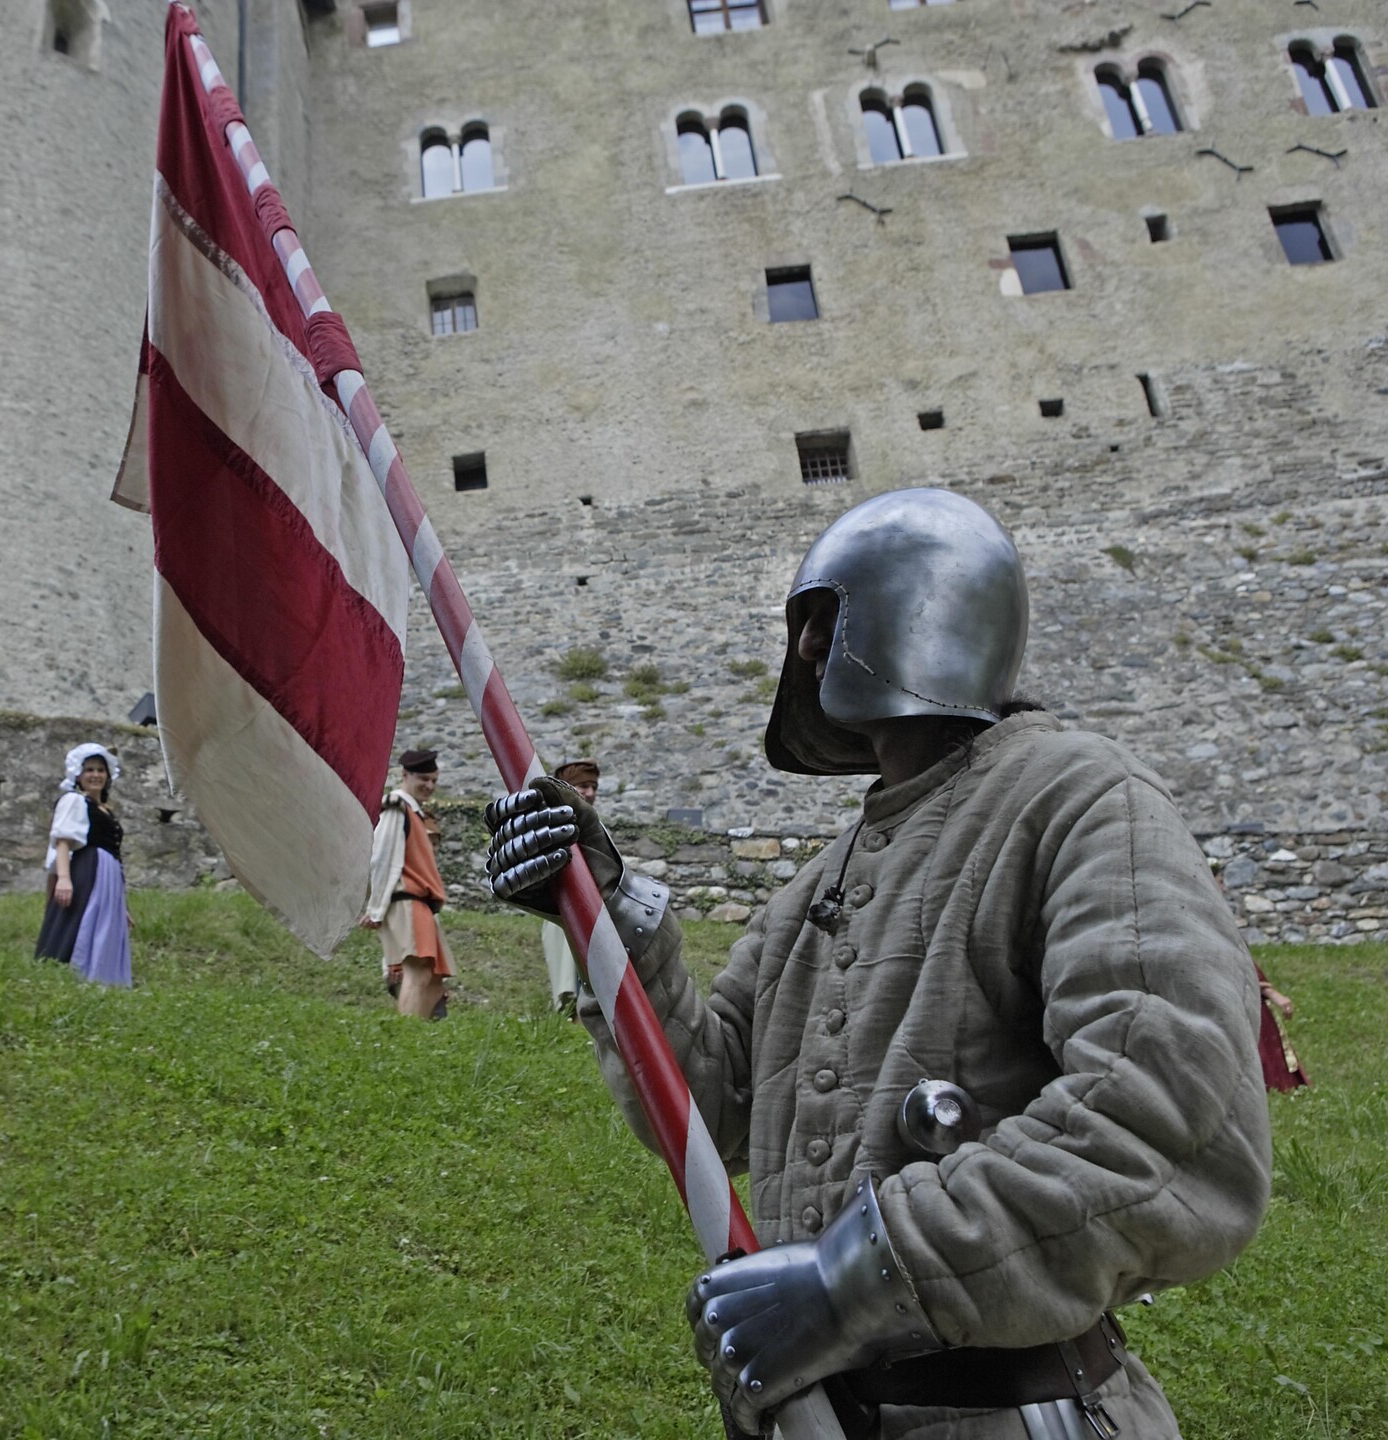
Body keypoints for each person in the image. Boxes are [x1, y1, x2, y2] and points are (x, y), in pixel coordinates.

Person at [484, 489, 1271, 1439]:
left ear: (934, 609)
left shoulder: (1080, 797)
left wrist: (851, 1280)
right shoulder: (822, 882)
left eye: (832, 617)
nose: (809, 648)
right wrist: (604, 912)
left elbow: (1164, 1114)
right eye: (806, 623)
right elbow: (713, 1110)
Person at [364, 748, 456, 1020]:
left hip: (419, 904)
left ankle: (420, 1031)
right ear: (405, 775)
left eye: (434, 781)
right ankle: (407, 1031)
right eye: (424, 779)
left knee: (430, 974)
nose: (430, 786)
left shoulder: (413, 812)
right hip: (407, 900)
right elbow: (381, 859)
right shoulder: (397, 808)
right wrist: (376, 909)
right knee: (417, 971)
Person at [35, 743, 132, 988]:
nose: (95, 775)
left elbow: (115, 853)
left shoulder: (105, 811)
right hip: (88, 870)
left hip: (108, 875)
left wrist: (121, 904)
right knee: (81, 919)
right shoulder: (75, 801)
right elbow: (63, 841)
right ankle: (76, 973)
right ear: (78, 775)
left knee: (103, 925)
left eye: (100, 770)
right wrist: (64, 879)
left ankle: (101, 979)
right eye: (89, 769)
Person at [539, 759, 600, 1017]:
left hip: (593, 910)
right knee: (569, 976)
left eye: (594, 787)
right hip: (562, 910)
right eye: (583, 786)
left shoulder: (593, 826)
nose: (590, 793)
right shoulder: (548, 824)